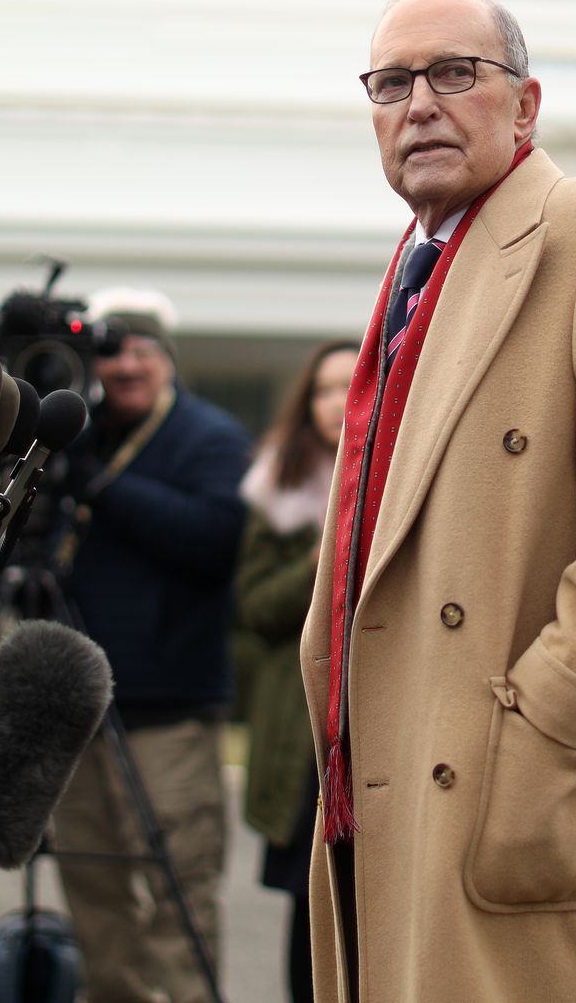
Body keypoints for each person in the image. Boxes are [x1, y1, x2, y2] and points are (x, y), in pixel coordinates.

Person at [300, 0, 576, 1003]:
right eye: (392, 83)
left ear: (526, 105)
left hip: (521, 792)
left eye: (457, 73)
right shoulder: (418, 265)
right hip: (396, 794)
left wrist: (544, 722)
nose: (420, 105)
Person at [49, 287, 250, 1003]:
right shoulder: (72, 431)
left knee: (178, 885)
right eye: (112, 351)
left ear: (167, 357)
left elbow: (214, 540)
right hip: (76, 709)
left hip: (170, 708)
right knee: (91, 885)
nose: (126, 364)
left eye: (142, 349)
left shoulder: (209, 436)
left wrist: (101, 487)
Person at [237, 339, 357, 1003]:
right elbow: (256, 608)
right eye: (322, 389)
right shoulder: (275, 486)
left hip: (384, 720)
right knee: (308, 913)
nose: (337, 401)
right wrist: (327, 548)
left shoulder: (409, 469)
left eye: (349, 384)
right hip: (303, 728)